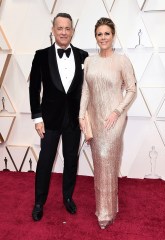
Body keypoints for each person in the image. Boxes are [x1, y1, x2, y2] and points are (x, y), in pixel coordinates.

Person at [29, 13, 88, 221]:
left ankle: (68, 198)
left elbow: (87, 89)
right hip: (49, 120)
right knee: (45, 161)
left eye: (67, 28)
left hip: (73, 119)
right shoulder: (41, 55)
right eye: (60, 28)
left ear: (72, 31)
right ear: (53, 30)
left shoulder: (83, 56)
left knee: (71, 160)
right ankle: (38, 202)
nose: (64, 32)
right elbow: (34, 88)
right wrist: (37, 118)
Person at [79, 17, 136, 229]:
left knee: (108, 162)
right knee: (101, 165)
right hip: (94, 119)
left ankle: (106, 211)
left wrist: (117, 111)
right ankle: (107, 208)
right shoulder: (90, 62)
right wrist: (80, 116)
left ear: (113, 35)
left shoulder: (122, 61)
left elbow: (131, 90)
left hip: (114, 119)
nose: (103, 37)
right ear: (96, 36)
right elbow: (86, 90)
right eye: (99, 34)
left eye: (107, 33)